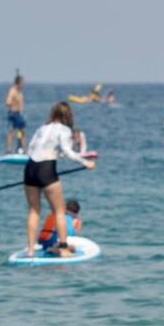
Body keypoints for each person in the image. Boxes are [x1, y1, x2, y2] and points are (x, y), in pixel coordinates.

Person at [23, 102, 95, 256]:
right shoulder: (65, 130)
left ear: (53, 113)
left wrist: (57, 154)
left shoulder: (42, 128)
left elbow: (31, 149)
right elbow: (68, 152)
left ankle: (30, 250)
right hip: (46, 170)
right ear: (68, 116)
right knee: (59, 211)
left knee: (34, 211)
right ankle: (63, 248)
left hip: (30, 168)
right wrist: (86, 163)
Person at [4, 72, 26, 154]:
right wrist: (15, 105)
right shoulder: (13, 91)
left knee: (22, 132)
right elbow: (8, 102)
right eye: (22, 83)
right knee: (12, 132)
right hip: (13, 114)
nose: (23, 84)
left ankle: (22, 149)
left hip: (19, 114)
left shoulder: (19, 91)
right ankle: (9, 150)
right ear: (19, 82)